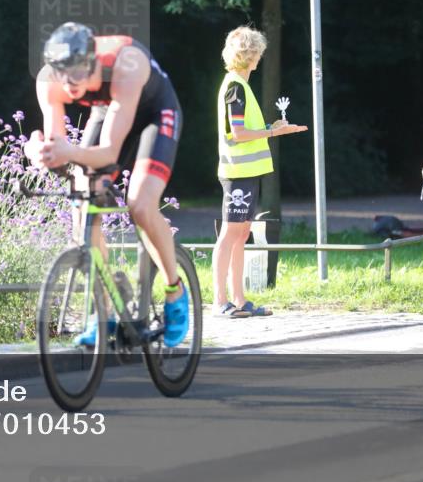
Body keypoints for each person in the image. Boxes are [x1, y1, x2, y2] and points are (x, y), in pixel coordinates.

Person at [24, 22, 189, 347]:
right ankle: (104, 310)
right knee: (82, 209)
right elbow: (59, 150)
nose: (69, 83)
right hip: (111, 109)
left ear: (93, 61)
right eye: (62, 75)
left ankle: (175, 290)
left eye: (77, 73)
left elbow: (109, 152)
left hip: (155, 113)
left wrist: (68, 152)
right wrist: (39, 152)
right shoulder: (49, 82)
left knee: (140, 204)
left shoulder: (126, 65)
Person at [212, 27, 307, 317]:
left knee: (241, 234)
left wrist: (269, 128)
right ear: (250, 55)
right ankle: (220, 302)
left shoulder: (239, 85)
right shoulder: (236, 87)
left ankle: (239, 300)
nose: (260, 57)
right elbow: (238, 133)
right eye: (258, 53)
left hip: (247, 171)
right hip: (237, 172)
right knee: (230, 234)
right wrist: (274, 133)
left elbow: (241, 131)